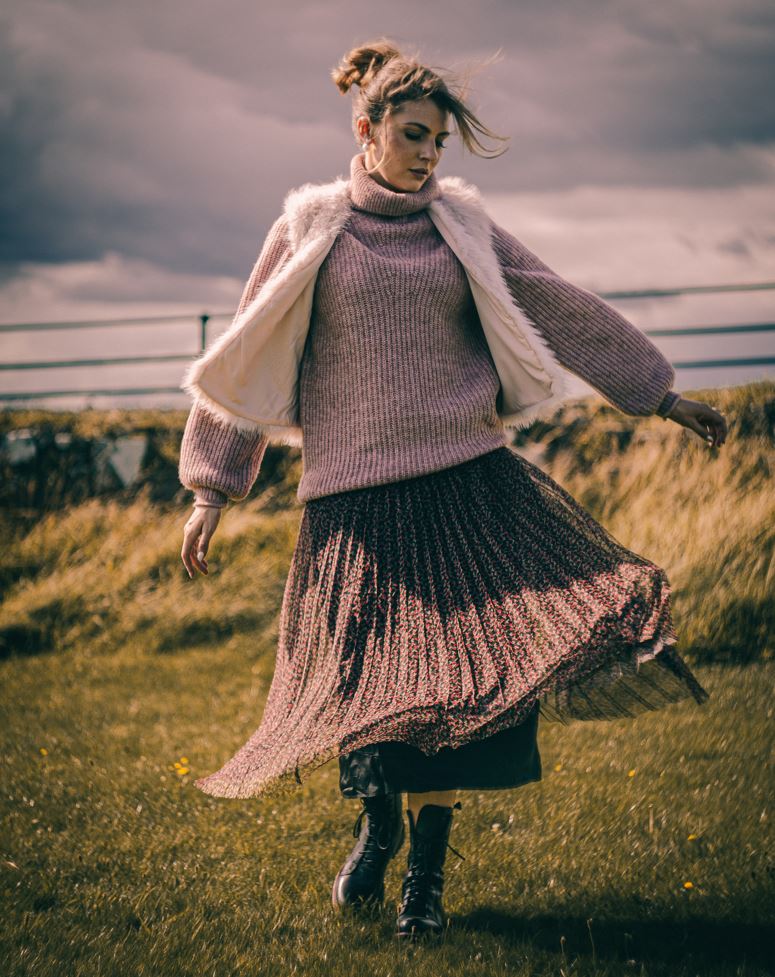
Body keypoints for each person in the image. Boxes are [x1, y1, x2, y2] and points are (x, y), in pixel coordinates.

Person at [178, 39, 726, 941]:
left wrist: (655, 391)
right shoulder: (310, 224)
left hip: (468, 486)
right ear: (367, 129)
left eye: (440, 141)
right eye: (415, 135)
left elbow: (552, 300)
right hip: (353, 502)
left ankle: (421, 883)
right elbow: (250, 348)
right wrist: (212, 487)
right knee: (366, 687)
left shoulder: (461, 224)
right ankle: (379, 822)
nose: (429, 154)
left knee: (456, 696)